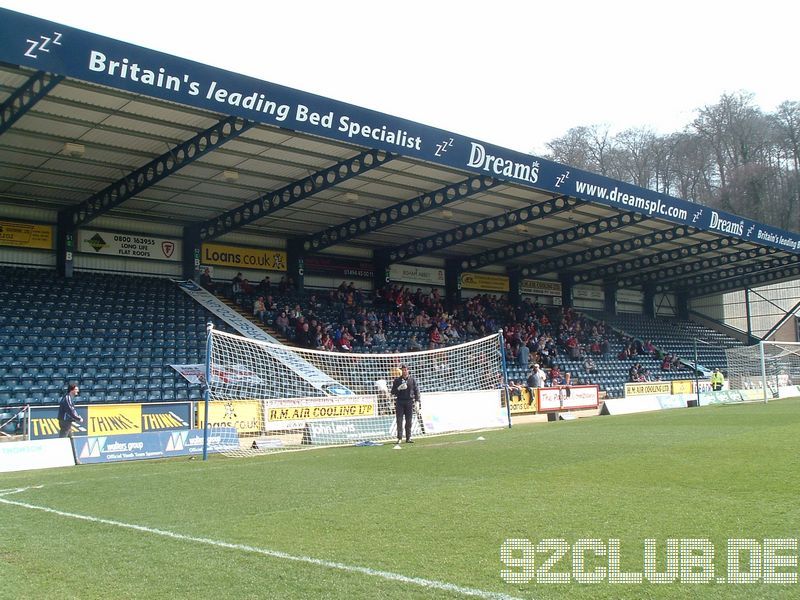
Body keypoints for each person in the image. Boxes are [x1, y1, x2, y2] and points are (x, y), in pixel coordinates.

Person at [390, 364, 421, 444]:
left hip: (409, 402)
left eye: (405, 370)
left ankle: (408, 438)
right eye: (403, 370)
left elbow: (416, 391)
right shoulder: (397, 380)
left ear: (408, 370)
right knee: (399, 420)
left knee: (409, 421)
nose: (404, 371)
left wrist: (417, 401)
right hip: (400, 402)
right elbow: (393, 392)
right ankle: (399, 438)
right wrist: (398, 388)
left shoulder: (412, 380)